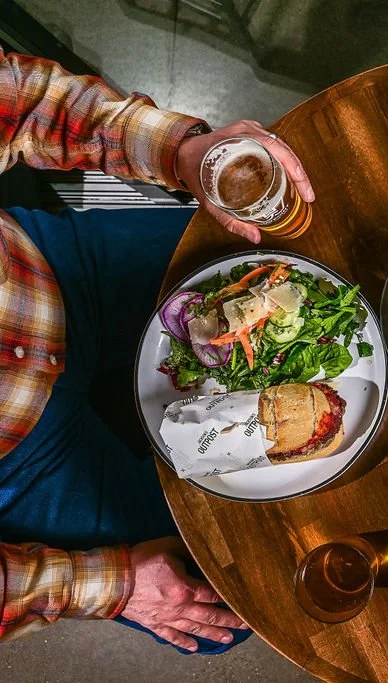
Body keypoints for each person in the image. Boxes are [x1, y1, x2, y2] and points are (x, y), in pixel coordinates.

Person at [0, 50, 314, 653]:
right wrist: (109, 585)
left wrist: (182, 151)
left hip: (49, 276)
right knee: (230, 600)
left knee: (292, 247)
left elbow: (25, 101)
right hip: (18, 462)